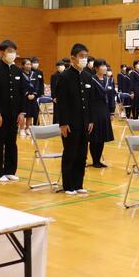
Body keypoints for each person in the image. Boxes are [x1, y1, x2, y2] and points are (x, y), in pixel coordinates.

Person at [55, 43, 94, 195]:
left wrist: (90, 120)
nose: (84, 59)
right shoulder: (64, 77)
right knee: (70, 153)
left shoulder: (87, 76)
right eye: (81, 56)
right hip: (70, 123)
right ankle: (68, 185)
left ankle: (78, 184)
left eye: (86, 56)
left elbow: (89, 101)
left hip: (85, 122)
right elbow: (61, 103)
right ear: (73, 58)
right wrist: (63, 123)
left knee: (82, 154)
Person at [0, 41, 25, 181]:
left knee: (12, 141)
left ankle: (10, 170)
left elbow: (21, 93)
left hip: (14, 113)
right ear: (2, 52)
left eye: (14, 51)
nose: (12, 54)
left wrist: (22, 112)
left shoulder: (17, 71)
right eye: (9, 51)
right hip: (1, 113)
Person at [88, 59, 114, 168]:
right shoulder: (91, 80)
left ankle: (98, 160)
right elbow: (89, 99)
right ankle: (95, 161)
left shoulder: (108, 80)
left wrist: (112, 112)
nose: (104, 68)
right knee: (95, 138)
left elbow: (112, 96)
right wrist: (90, 117)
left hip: (105, 111)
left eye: (105, 66)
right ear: (96, 68)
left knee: (102, 137)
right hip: (95, 111)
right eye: (102, 66)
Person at [30, 57, 44, 125]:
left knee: (37, 109)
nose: (36, 64)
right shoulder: (29, 71)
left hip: (38, 94)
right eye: (34, 62)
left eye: (37, 62)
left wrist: (42, 93)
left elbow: (41, 83)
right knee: (30, 109)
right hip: (30, 94)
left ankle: (36, 123)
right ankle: (28, 124)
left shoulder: (40, 72)